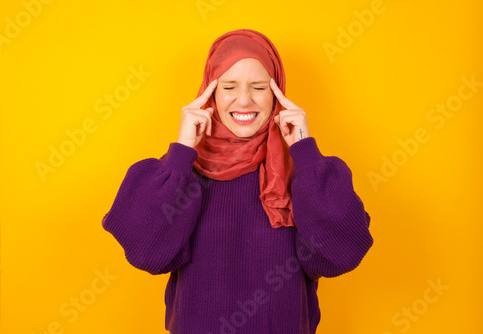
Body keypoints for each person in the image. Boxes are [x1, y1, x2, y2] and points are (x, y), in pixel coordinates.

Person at [101, 28, 374, 334]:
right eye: (229, 86)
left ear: (277, 94)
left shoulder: (301, 173)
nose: (244, 100)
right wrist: (181, 152)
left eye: (258, 87)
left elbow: (340, 255)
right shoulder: (180, 173)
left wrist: (305, 150)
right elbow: (149, 254)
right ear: (210, 94)